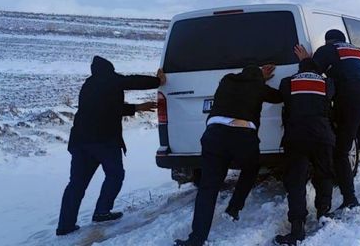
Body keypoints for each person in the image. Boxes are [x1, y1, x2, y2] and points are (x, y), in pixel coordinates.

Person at [56, 56, 165, 236]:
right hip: (104, 142)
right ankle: (102, 211)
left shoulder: (89, 85)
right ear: (109, 70)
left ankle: (65, 225)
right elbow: (132, 81)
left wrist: (137, 107)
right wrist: (157, 80)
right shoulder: (110, 80)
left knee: (76, 184)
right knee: (115, 175)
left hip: (80, 142)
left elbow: (110, 107)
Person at [174, 64, 281, 246]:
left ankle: (196, 238)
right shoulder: (259, 87)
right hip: (243, 136)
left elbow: (245, 81)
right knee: (251, 168)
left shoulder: (227, 80)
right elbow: (278, 97)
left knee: (208, 188)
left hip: (214, 135)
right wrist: (262, 81)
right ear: (260, 77)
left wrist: (257, 78)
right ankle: (234, 207)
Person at [294, 29, 360, 212]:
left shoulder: (327, 50)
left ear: (328, 40)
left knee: (341, 152)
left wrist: (306, 59)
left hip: (351, 101)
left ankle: (350, 198)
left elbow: (312, 74)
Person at [274, 58, 336, 245]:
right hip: (322, 136)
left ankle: (297, 227)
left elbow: (283, 98)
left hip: (296, 137)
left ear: (299, 69)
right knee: (324, 174)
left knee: (296, 180)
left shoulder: (287, 82)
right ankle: (323, 213)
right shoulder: (327, 83)